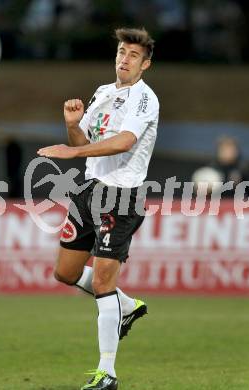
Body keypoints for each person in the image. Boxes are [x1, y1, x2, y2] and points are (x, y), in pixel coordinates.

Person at [37, 27, 159, 390]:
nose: (124, 58)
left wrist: (73, 151)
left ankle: (108, 372)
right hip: (89, 191)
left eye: (133, 55)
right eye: (122, 51)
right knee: (65, 272)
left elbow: (124, 143)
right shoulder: (104, 93)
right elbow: (85, 142)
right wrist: (73, 127)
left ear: (145, 64)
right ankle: (126, 305)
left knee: (104, 280)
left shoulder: (144, 98)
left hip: (122, 196)